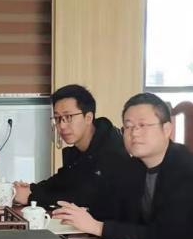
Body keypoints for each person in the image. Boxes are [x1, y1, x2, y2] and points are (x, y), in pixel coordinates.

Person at [54, 93, 193, 239]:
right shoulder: (135, 166)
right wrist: (80, 216)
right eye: (128, 126)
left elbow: (165, 238)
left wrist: (99, 227)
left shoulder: (187, 170)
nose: (134, 133)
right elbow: (114, 211)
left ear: (166, 129)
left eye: (143, 125)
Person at [13, 83, 130, 218]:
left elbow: (82, 197)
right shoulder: (79, 150)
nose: (62, 126)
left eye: (68, 117)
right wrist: (31, 188)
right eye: (57, 118)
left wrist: (32, 197)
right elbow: (62, 181)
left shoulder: (112, 152)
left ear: (88, 118)